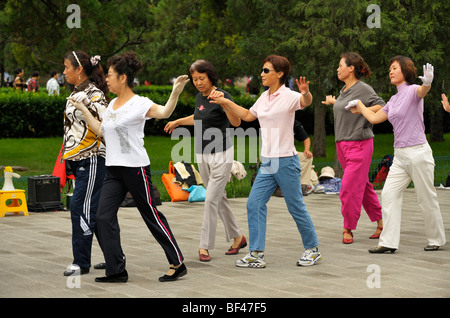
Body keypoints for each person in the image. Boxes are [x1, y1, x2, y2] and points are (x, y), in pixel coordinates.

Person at [68, 51, 190, 282]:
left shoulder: (139, 103)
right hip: (113, 170)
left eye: (111, 75)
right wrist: (84, 110)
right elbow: (102, 130)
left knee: (150, 214)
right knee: (102, 217)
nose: (107, 79)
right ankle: (116, 271)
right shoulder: (112, 104)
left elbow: (164, 112)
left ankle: (177, 262)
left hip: (135, 168)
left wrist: (175, 93)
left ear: (123, 78)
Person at [209, 55, 321, 268]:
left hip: (286, 161)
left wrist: (306, 93)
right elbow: (247, 116)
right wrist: (225, 101)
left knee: (295, 206)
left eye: (266, 71)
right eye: (262, 70)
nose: (261, 74)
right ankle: (256, 254)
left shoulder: (288, 96)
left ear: (279, 74)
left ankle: (313, 249)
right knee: (254, 203)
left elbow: (305, 102)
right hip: (268, 162)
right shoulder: (264, 97)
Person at [351, 56, 446, 253]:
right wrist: (360, 106)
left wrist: (427, 83)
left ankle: (436, 239)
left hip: (418, 153)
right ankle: (388, 242)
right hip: (400, 156)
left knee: (425, 197)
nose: (390, 71)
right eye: (390, 68)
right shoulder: (393, 100)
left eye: (394, 68)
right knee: (388, 194)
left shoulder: (413, 91)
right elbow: (375, 118)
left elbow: (422, 91)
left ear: (405, 71)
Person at [164, 59, 246, 262]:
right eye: (194, 79)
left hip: (222, 154)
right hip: (202, 154)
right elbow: (198, 117)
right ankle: (238, 237)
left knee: (210, 199)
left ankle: (204, 246)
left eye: (202, 78)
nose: (198, 82)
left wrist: (225, 104)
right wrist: (177, 121)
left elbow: (236, 122)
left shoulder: (222, 95)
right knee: (219, 198)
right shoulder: (200, 97)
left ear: (210, 76)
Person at [321, 52, 384, 244]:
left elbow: (382, 106)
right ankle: (382, 223)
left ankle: (347, 227)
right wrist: (335, 102)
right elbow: (345, 107)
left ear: (351, 68)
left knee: (348, 188)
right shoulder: (343, 91)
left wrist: (363, 109)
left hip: (359, 143)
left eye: (341, 65)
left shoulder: (363, 88)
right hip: (342, 145)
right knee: (363, 186)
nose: (337, 69)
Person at [61, 51, 109, 276]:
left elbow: (106, 123)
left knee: (80, 209)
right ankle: (114, 257)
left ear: (79, 69)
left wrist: (88, 104)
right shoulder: (77, 92)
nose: (63, 72)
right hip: (80, 161)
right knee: (97, 213)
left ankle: (81, 262)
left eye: (66, 67)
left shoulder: (94, 94)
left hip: (91, 159)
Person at [293, 120, 315, 196]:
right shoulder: (273, 120)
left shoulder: (294, 123)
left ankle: (302, 186)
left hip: (290, 153)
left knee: (307, 158)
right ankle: (279, 187)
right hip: (274, 154)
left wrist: (306, 150)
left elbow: (306, 138)